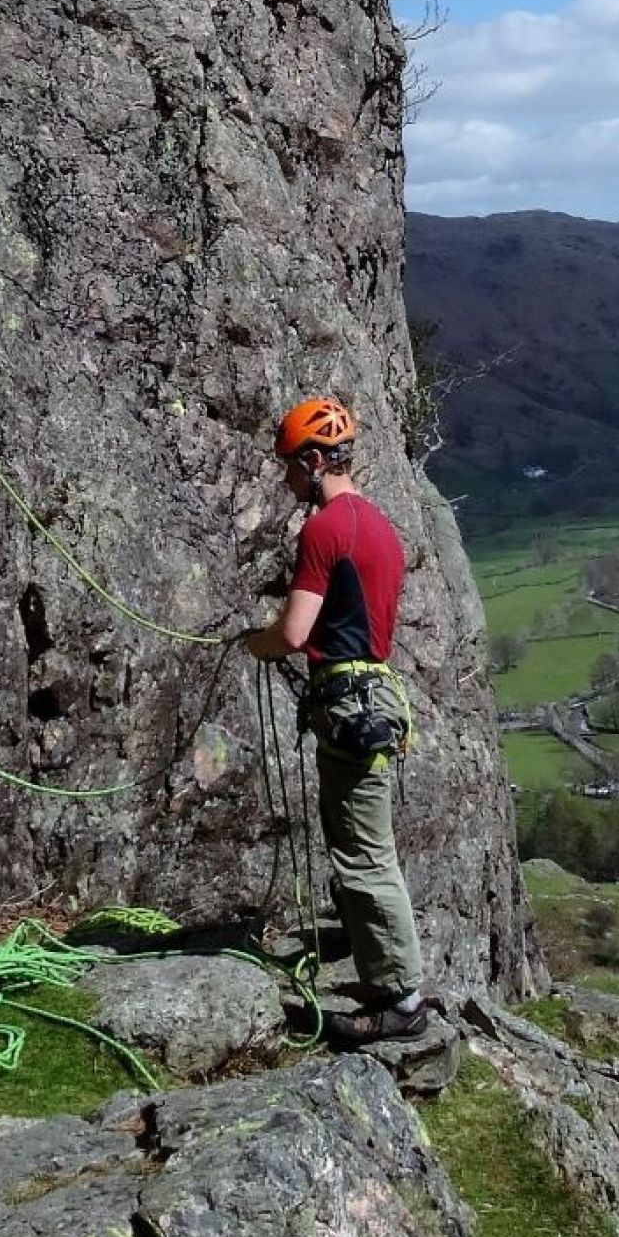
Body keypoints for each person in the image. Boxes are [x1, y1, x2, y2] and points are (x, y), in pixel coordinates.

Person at [238, 397, 427, 1044]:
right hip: (373, 698)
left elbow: (293, 632)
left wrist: (251, 643)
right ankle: (368, 951)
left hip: (347, 703)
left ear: (316, 461)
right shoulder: (380, 527)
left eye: (293, 468)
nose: (289, 481)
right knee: (362, 843)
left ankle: (401, 1001)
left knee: (366, 857)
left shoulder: (324, 531)